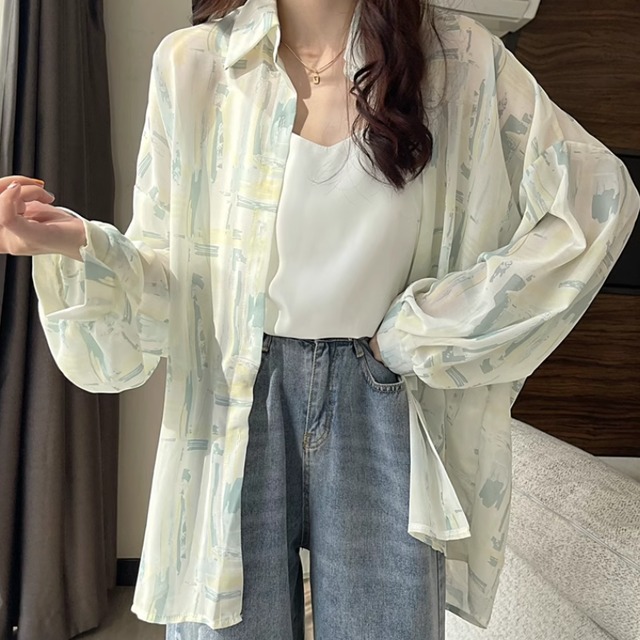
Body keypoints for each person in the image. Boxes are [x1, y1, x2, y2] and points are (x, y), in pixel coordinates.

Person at [1, 0, 638, 638]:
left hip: (381, 394)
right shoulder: (195, 63)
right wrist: (76, 244)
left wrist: (423, 330)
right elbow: (172, 280)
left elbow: (597, 198)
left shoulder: (459, 59)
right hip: (235, 396)